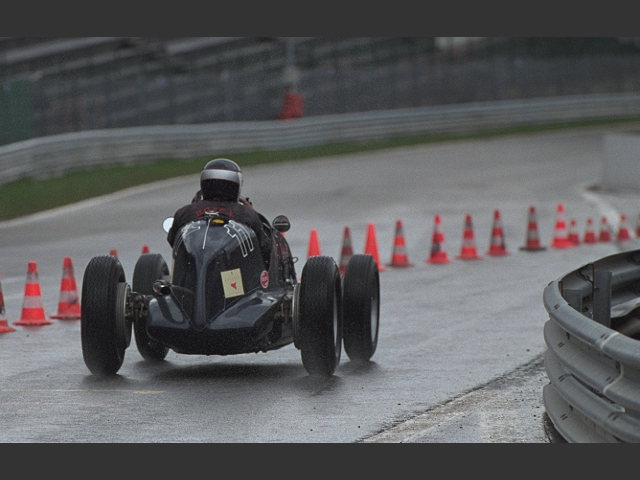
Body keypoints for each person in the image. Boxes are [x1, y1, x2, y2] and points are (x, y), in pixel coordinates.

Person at [166, 158, 271, 263]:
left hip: (192, 273)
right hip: (234, 273)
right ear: (235, 185)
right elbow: (264, 248)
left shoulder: (185, 212)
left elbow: (173, 241)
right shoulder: (246, 213)